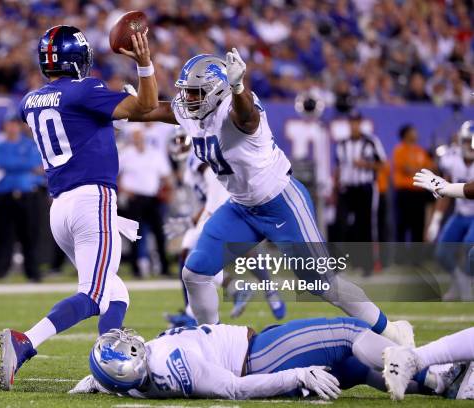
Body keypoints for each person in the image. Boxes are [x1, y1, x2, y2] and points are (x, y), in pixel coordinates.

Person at [125, 51, 411, 346]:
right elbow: (145, 110)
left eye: (196, 93)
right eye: (186, 91)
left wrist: (238, 88)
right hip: (240, 207)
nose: (187, 99)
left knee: (322, 284)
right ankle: (211, 344)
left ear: (218, 90)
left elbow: (247, 118)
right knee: (195, 273)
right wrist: (117, 109)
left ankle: (391, 330)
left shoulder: (236, 108)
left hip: (280, 202)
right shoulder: (188, 111)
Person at [0, 25, 159, 390]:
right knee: (94, 293)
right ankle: (26, 341)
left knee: (116, 294)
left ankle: (108, 371)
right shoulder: (86, 89)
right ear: (78, 59)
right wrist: (146, 65)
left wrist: (107, 120)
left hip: (61, 209)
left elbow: (76, 124)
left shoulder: (30, 101)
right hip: (92, 201)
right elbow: (147, 106)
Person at [73, 318, 474, 401]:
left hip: (253, 354)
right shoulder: (175, 361)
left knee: (353, 370)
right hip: (259, 357)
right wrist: (297, 374)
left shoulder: (130, 386)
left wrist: (93, 380)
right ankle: (414, 361)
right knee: (349, 333)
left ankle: (442, 385)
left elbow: (113, 379)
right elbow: (234, 388)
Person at [163, 125, 285, 326]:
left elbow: (214, 184)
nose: (178, 146)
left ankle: (237, 290)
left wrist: (208, 214)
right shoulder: (188, 167)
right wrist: (194, 219)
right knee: (196, 252)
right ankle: (195, 311)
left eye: (181, 140)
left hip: (230, 202)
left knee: (197, 252)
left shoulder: (197, 155)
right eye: (175, 142)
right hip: (223, 204)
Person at [415, 120, 474, 301]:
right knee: (442, 253)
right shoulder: (453, 159)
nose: (469, 145)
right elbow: (446, 188)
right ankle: (459, 284)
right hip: (460, 214)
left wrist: (446, 188)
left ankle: (467, 287)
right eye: (466, 140)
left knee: (469, 251)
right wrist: (436, 220)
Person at [0, 115, 43, 282]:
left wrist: (19, 165)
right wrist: (25, 165)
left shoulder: (29, 144)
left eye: (15, 124)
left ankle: (33, 273)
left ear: (19, 127)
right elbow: (2, 162)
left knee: (29, 235)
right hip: (5, 192)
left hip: (26, 193)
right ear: (4, 127)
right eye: (9, 124)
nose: (12, 128)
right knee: (2, 235)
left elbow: (35, 162)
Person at [334, 110, 387, 275]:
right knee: (340, 224)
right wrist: (336, 186)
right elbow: (339, 167)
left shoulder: (371, 142)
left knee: (365, 225)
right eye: (351, 122)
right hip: (347, 188)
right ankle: (339, 264)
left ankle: (367, 265)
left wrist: (365, 165)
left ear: (360, 123)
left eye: (356, 121)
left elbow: (382, 164)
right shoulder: (342, 143)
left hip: (365, 188)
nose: (354, 125)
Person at [118, 124, 172, 277]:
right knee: (135, 235)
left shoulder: (155, 153)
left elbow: (166, 176)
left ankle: (164, 268)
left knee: (159, 234)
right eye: (134, 136)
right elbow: (116, 176)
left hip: (153, 198)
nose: (137, 138)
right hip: (134, 198)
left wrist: (168, 191)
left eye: (139, 135)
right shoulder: (125, 154)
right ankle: (136, 269)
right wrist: (123, 190)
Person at [393, 125, 433, 244]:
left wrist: (417, 169)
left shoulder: (420, 150)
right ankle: (400, 255)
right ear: (406, 135)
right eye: (413, 131)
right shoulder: (399, 150)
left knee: (418, 225)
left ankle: (416, 257)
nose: (416, 133)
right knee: (402, 224)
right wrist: (421, 169)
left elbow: (430, 168)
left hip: (419, 192)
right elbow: (406, 169)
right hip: (404, 192)